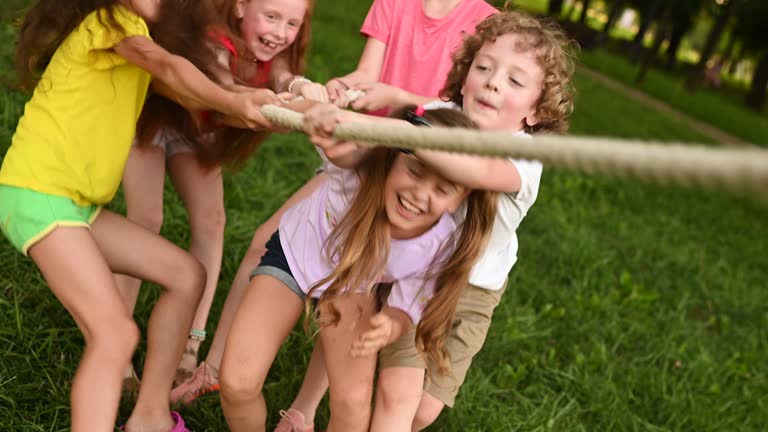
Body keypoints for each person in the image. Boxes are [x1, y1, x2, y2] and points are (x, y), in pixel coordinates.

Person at [170, 0, 498, 408]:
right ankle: (217, 370)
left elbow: (469, 111)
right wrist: (347, 88)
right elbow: (367, 71)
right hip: (367, 164)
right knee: (270, 242)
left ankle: (303, 410)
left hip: (421, 173)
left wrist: (398, 98)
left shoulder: (485, 21)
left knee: (352, 291)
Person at [273, 10, 576, 431]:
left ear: (535, 112)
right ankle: (305, 410)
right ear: (465, 75)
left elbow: (473, 170)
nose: (492, 81)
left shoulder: (525, 157)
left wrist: (387, 124)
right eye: (483, 67)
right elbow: (385, 143)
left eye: (514, 80)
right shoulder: (439, 112)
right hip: (417, 274)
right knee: (389, 382)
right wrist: (332, 115)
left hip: (472, 291)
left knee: (422, 411)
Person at [0, 0, 278, 430]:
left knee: (187, 276)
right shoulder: (109, 23)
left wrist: (256, 102)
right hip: (37, 193)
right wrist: (233, 99)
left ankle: (150, 418)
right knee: (115, 335)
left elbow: (189, 88)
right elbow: (168, 69)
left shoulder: (139, 39)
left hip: (75, 205)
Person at [218, 105, 498, 432]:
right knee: (237, 383)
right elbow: (341, 148)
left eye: (442, 189)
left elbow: (413, 296)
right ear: (393, 158)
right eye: (415, 171)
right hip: (296, 257)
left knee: (352, 404)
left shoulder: (442, 241)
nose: (419, 195)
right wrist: (326, 118)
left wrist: (394, 319)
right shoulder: (356, 174)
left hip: (355, 285)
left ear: (459, 199)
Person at [116, 0, 328, 390]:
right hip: (152, 115)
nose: (280, 33)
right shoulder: (215, 41)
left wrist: (309, 97)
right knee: (146, 218)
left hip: (196, 130)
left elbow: (283, 80)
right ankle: (117, 342)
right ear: (242, 8)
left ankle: (189, 347)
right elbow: (226, 97)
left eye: (292, 23)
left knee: (213, 221)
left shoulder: (275, 54)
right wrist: (274, 106)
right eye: (272, 17)